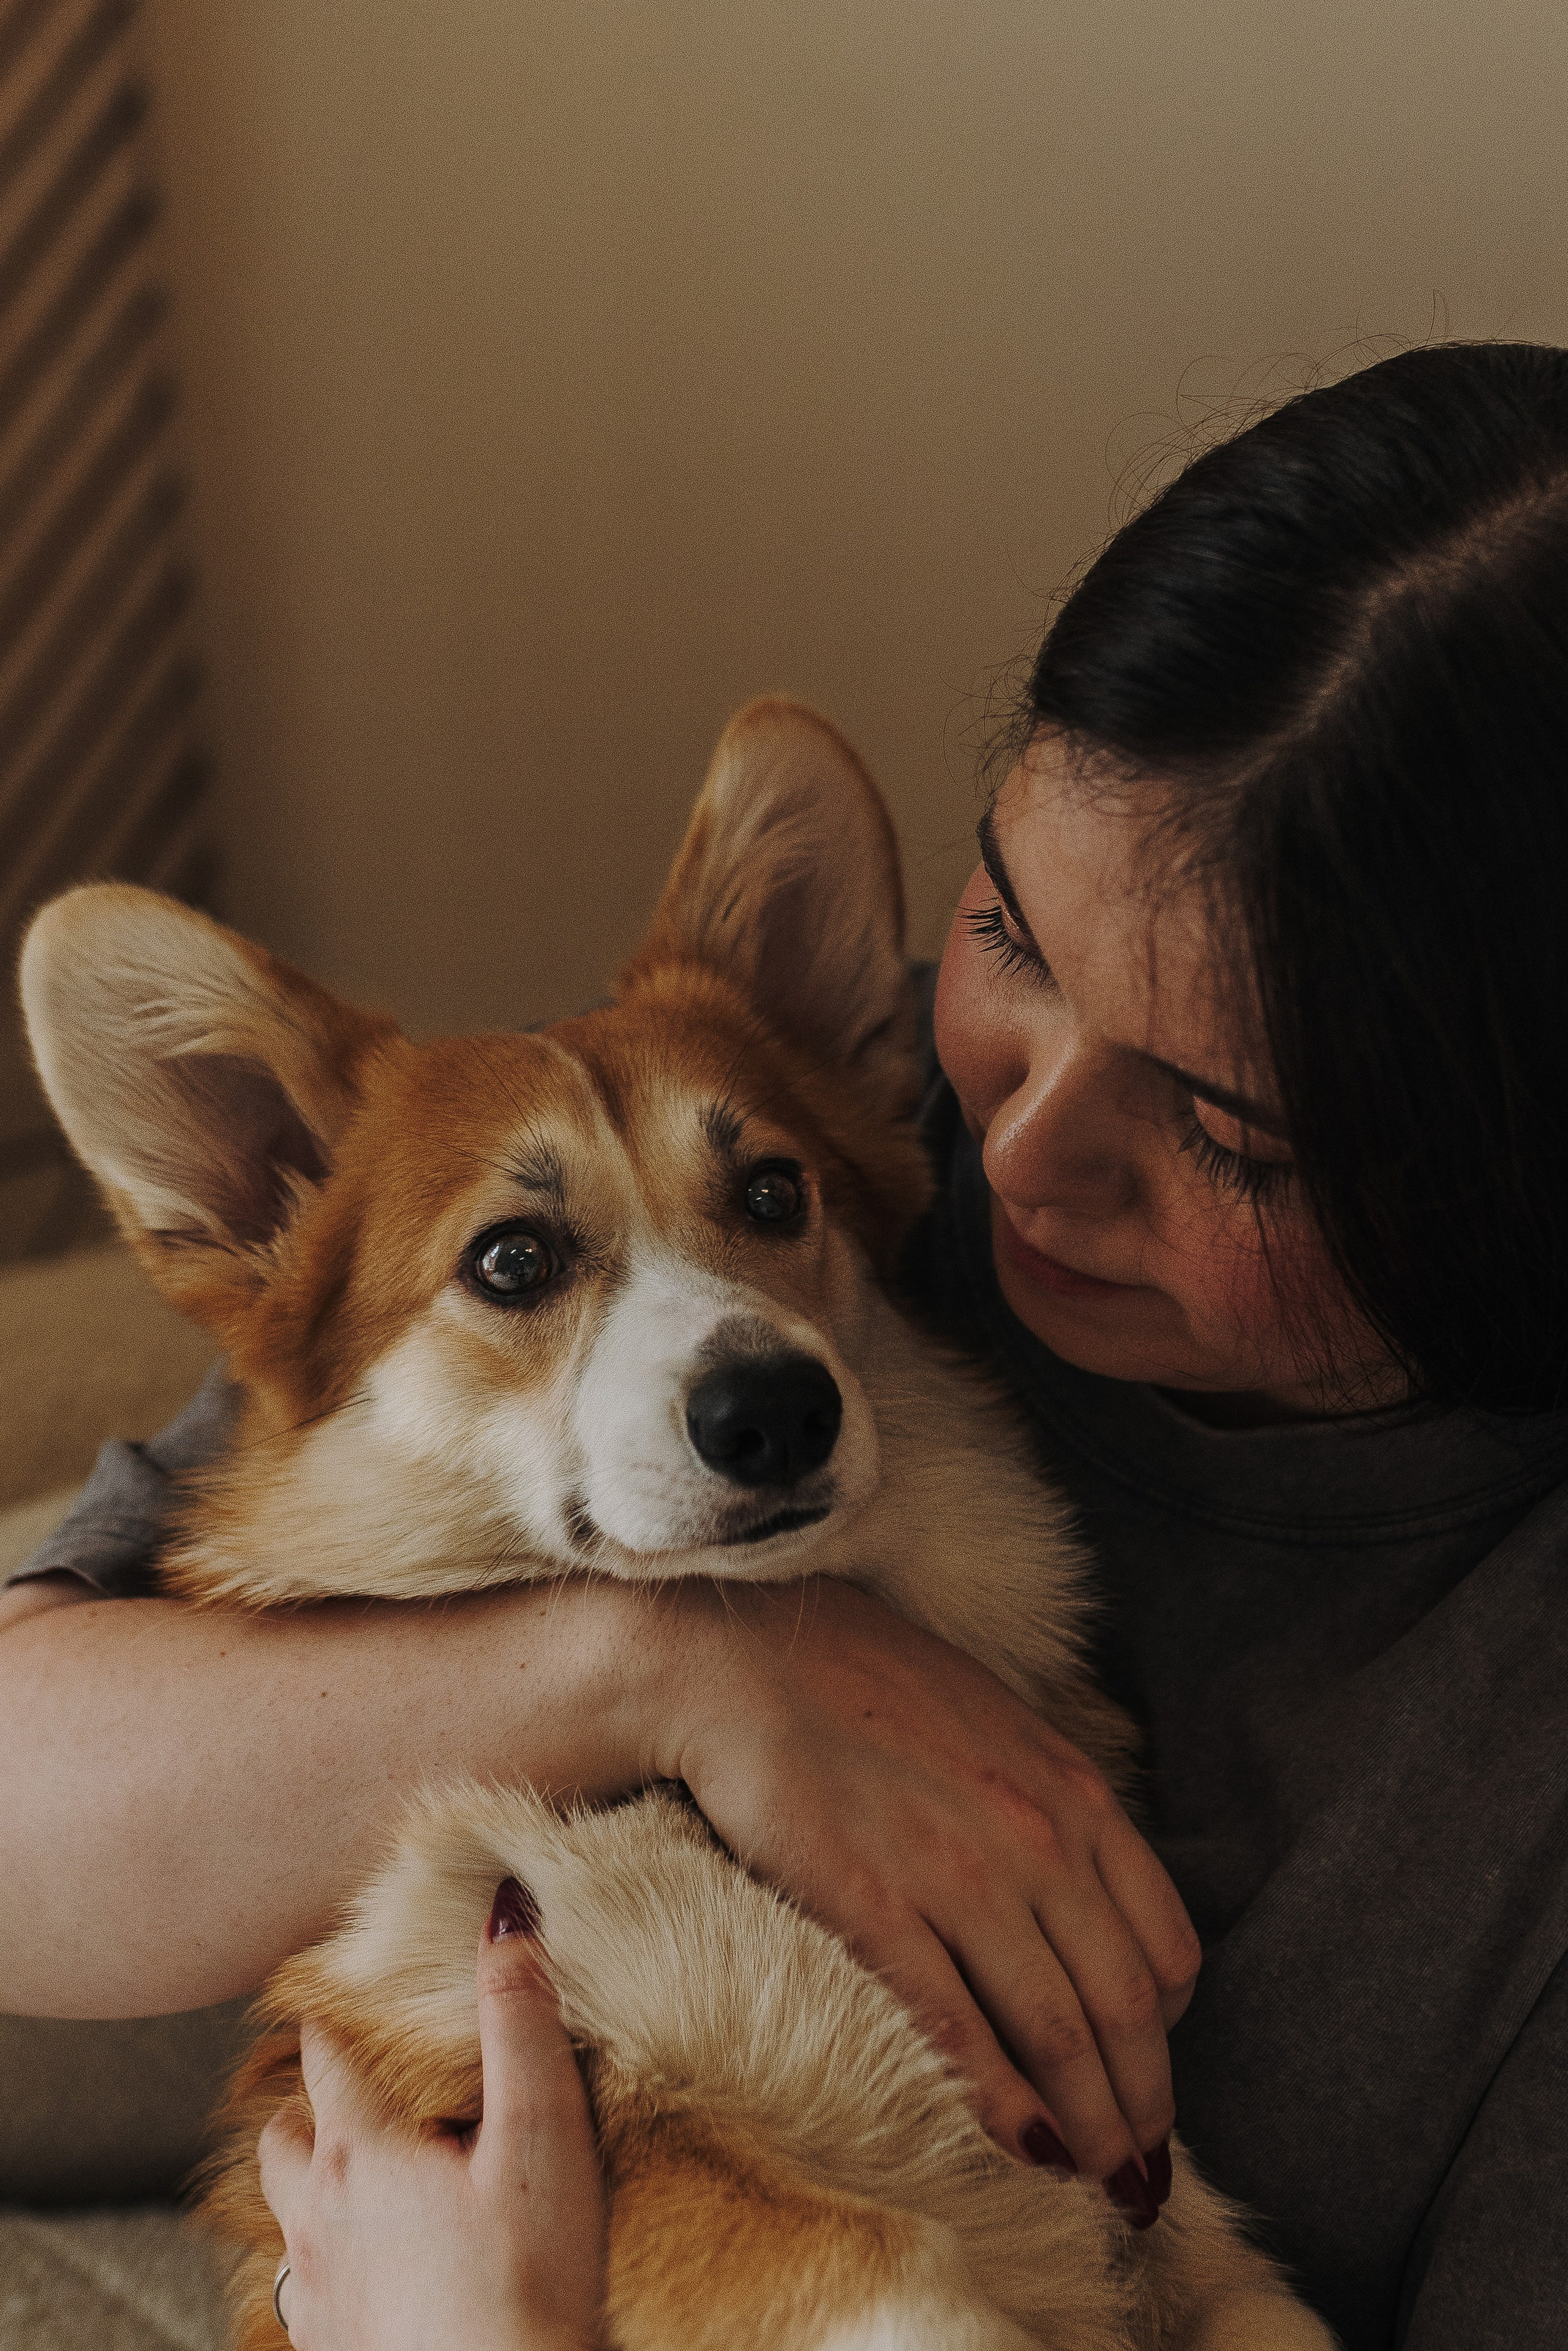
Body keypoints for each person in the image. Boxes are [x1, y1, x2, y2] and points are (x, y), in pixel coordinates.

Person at [3, 339, 1566, 2349]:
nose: (1013, 1140)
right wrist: (673, 1666)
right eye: (1013, 935)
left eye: (1226, 1128)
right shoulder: (829, 1127)